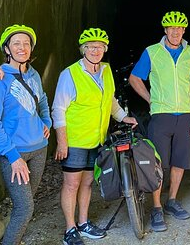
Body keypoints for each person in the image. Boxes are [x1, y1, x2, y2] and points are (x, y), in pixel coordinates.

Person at [52, 28, 138, 245]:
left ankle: (83, 223)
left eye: (99, 46)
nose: (95, 50)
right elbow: (58, 109)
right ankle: (70, 229)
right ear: (83, 50)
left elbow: (109, 100)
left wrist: (123, 117)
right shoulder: (69, 74)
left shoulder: (106, 70)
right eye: (90, 46)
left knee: (88, 182)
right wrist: (62, 141)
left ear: (104, 49)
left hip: (97, 139)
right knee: (72, 184)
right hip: (76, 139)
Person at [129, 11, 190, 232]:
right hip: (161, 115)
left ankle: (171, 200)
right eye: (171, 28)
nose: (175, 32)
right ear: (165, 30)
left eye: (179, 28)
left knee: (180, 160)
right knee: (158, 163)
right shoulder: (152, 52)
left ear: (183, 31)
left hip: (186, 114)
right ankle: (157, 207)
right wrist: (151, 99)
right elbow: (135, 78)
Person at [0, 25, 51, 245]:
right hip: (15, 153)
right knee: (25, 208)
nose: (22, 48)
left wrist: (47, 121)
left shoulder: (33, 74)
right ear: (7, 48)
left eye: (26, 44)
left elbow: (41, 100)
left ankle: (15, 235)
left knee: (26, 202)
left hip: (39, 147)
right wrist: (14, 158)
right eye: (16, 43)